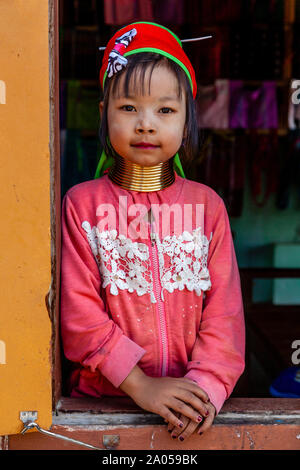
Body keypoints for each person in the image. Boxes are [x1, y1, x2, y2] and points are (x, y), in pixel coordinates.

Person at [60, 22, 245, 443]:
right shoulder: (82, 205)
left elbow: (225, 315)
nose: (146, 124)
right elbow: (79, 316)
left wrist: (205, 392)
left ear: (187, 118)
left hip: (192, 411)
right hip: (102, 404)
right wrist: (141, 385)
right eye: (128, 108)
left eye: (165, 110)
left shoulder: (207, 208)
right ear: (105, 111)